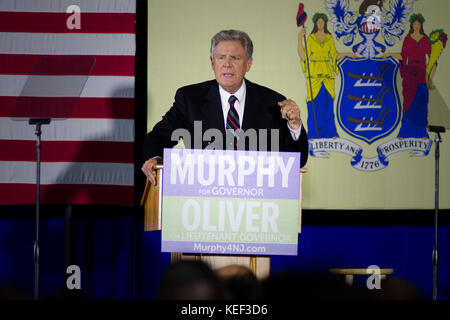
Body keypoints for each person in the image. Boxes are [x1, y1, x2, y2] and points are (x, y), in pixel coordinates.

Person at [142, 30, 308, 184]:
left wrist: (294, 127)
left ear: (248, 63)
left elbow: (296, 161)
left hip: (256, 198)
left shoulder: (273, 102)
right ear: (212, 62)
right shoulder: (190, 99)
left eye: (235, 58)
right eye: (221, 57)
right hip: (203, 196)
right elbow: (158, 137)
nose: (227, 64)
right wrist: (156, 159)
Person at [297, 13, 353, 140]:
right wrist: (300, 39)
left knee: (328, 103)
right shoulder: (310, 38)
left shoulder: (329, 38)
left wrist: (347, 54)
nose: (320, 24)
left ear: (325, 24)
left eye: (322, 22)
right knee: (313, 103)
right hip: (315, 74)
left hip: (327, 74)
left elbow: (334, 55)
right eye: (318, 22)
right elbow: (304, 56)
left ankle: (330, 133)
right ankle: (313, 133)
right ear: (316, 24)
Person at [384, 14, 434, 139]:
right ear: (412, 25)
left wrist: (429, 78)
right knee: (408, 103)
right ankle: (405, 132)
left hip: (422, 73)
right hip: (410, 74)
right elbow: (403, 55)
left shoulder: (425, 39)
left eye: (418, 24)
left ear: (421, 25)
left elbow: (433, 60)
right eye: (414, 24)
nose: (416, 26)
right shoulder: (408, 39)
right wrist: (389, 54)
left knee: (421, 104)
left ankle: (422, 133)